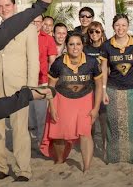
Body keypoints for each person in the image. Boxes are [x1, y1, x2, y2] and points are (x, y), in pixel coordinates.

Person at [0, 0, 39, 182]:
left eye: (7, 5)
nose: (3, 9)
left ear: (14, 6)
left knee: (20, 129)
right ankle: (0, 167)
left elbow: (33, 60)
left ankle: (23, 170)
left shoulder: (28, 29)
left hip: (19, 85)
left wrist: (31, 87)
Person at [40, 33, 104, 172]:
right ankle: (59, 160)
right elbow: (50, 87)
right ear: (66, 46)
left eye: (78, 44)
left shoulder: (92, 62)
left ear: (83, 45)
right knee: (59, 134)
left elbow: (99, 85)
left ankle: (86, 167)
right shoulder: (58, 63)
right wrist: (52, 107)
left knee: (85, 133)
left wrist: (96, 107)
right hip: (61, 99)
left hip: (85, 99)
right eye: (71, 44)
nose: (75, 47)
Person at [101, 14, 133, 164]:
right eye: (117, 25)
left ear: (128, 26)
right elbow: (104, 69)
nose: (120, 28)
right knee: (115, 125)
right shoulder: (107, 46)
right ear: (113, 27)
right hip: (113, 89)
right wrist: (103, 90)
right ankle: (116, 158)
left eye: (123, 25)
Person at [84, 21, 108, 156]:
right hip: (89, 87)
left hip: (103, 86)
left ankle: (105, 147)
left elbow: (108, 68)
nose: (94, 34)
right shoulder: (85, 49)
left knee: (104, 119)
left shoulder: (106, 48)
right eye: (91, 31)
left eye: (97, 31)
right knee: (91, 119)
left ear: (102, 33)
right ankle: (91, 146)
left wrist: (104, 87)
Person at [31, 15, 55, 145]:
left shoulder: (48, 39)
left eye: (38, 21)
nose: (36, 24)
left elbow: (52, 61)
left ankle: (41, 143)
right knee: (28, 118)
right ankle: (28, 143)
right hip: (25, 83)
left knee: (41, 116)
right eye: (34, 21)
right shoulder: (24, 37)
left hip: (42, 82)